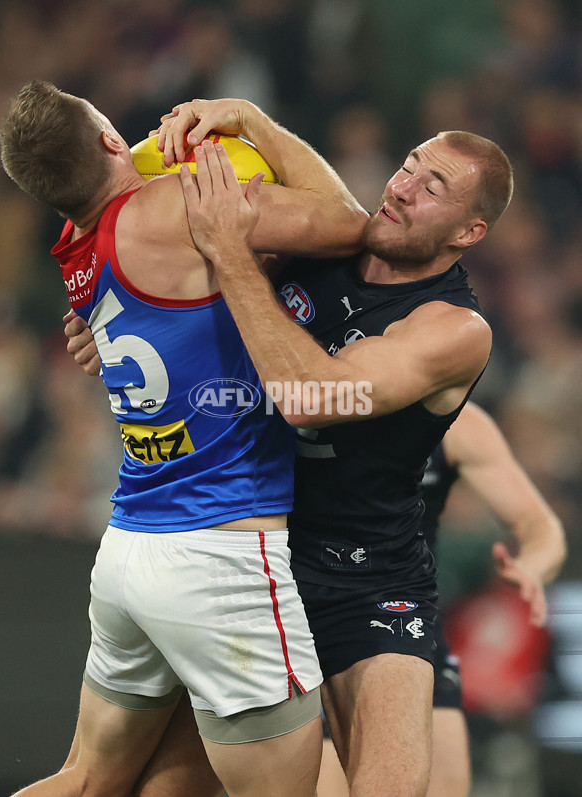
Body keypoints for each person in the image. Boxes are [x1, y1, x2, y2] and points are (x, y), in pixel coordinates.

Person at [64, 96, 514, 797]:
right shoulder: (328, 246)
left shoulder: (453, 329)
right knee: (160, 789)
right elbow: (189, 303)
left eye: (433, 188)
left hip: (371, 576)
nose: (400, 187)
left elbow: (312, 395)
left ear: (471, 229)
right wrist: (121, 324)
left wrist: (229, 251)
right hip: (252, 558)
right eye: (407, 166)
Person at [0, 81, 367, 797]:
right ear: (111, 140)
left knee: (85, 781)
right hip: (223, 554)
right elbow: (351, 223)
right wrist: (254, 120)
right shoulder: (181, 206)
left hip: (131, 548)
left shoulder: (75, 248)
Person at [316, 400, 566, 797]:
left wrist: (532, 566)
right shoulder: (294, 407)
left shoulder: (459, 421)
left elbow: (541, 528)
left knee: (442, 778)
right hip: (304, 618)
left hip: (407, 620)